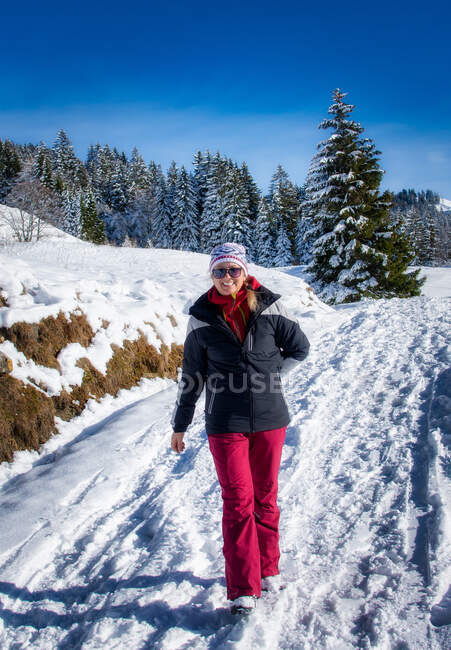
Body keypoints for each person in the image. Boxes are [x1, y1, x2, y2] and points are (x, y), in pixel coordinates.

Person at [171, 242, 310, 615]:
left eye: (233, 270)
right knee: (238, 501)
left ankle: (268, 568)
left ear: (244, 272)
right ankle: (242, 589)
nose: (227, 278)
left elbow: (300, 348)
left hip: (269, 419)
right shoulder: (201, 317)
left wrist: (272, 376)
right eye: (219, 271)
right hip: (225, 422)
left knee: (265, 497)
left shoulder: (270, 306)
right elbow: (191, 375)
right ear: (211, 275)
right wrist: (180, 424)